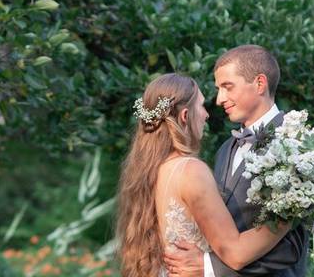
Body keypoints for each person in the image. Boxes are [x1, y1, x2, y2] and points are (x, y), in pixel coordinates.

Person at [115, 69, 289, 277]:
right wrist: (288, 215)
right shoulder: (190, 170)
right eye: (201, 106)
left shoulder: (150, 170)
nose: (206, 114)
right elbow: (235, 253)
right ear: (185, 116)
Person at [163, 45, 308, 276]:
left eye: (227, 87)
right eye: (218, 89)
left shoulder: (299, 147)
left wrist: (210, 268)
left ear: (260, 84)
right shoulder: (224, 149)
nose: (219, 99)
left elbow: (292, 245)